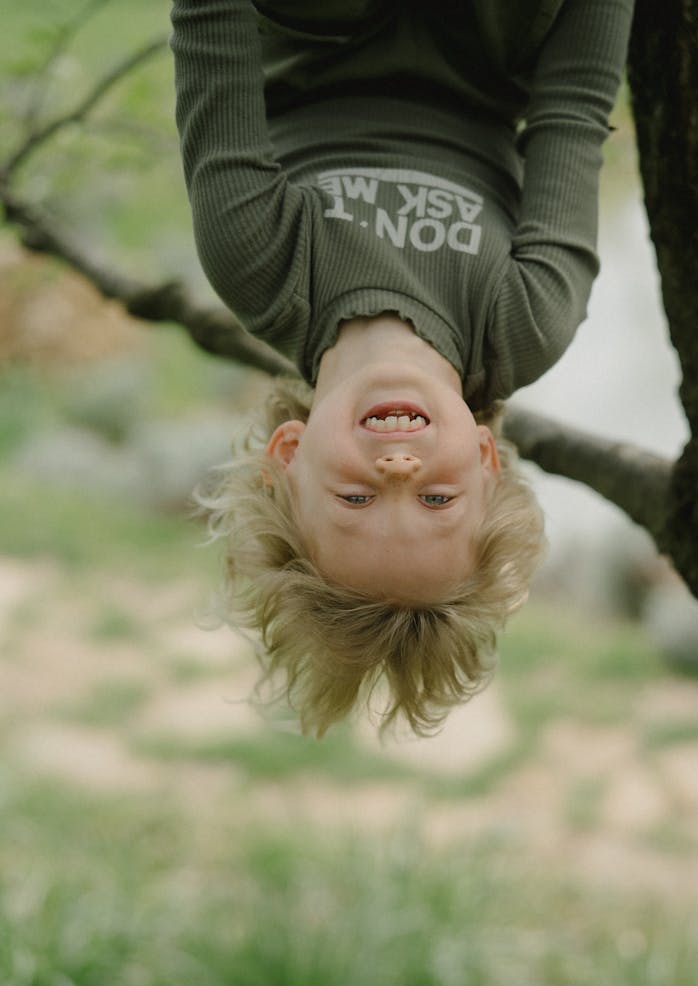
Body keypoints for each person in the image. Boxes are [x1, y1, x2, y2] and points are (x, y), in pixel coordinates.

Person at [170, 0, 634, 736]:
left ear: (286, 456)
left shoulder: (260, 261)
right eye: (438, 500)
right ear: (486, 462)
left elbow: (212, 19)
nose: (396, 471)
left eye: (354, 500)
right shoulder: (522, 318)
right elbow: (573, 106)